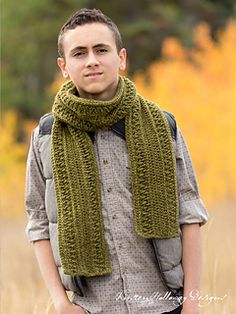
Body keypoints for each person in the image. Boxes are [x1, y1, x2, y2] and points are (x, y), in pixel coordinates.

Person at [25, 8, 208, 314]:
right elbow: (39, 222)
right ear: (64, 67)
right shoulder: (45, 135)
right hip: (93, 308)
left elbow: (189, 213)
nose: (92, 60)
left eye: (101, 50)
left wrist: (192, 304)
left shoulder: (163, 126)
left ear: (121, 58)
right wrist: (61, 303)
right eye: (79, 53)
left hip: (163, 306)